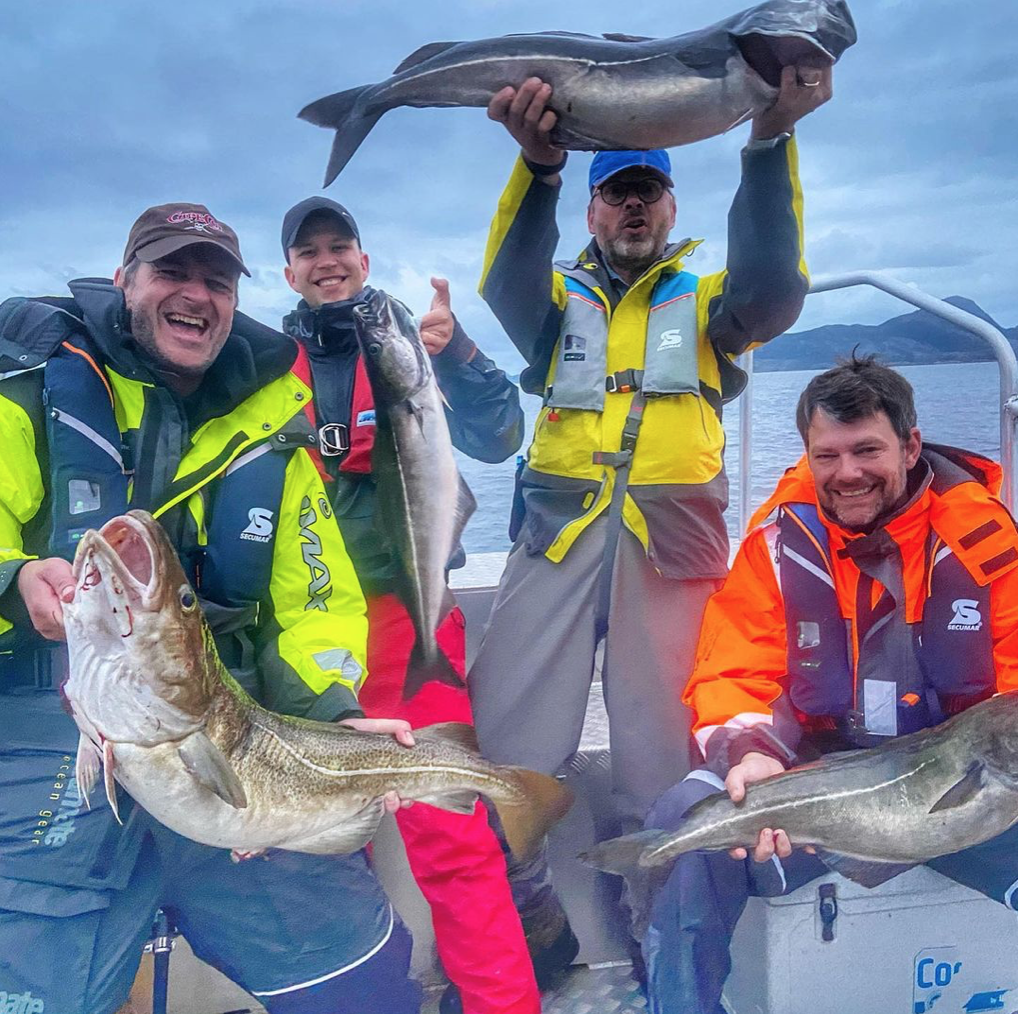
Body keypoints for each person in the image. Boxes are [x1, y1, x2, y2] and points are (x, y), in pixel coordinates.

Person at [0, 203, 424, 1014]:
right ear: (125, 280)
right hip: (33, 739)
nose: (196, 294)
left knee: (362, 980)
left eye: (217, 280)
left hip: (225, 734)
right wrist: (10, 580)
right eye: (172, 271)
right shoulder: (24, 397)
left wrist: (328, 715)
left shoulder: (273, 429)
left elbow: (318, 602)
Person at [468, 66, 833, 968]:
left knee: (663, 757)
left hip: (672, 552)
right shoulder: (556, 307)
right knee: (508, 743)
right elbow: (505, 282)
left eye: (648, 193)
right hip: (556, 536)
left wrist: (766, 143)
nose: (633, 208)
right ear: (592, 212)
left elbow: (776, 287)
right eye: (616, 194)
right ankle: (534, 914)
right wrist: (540, 171)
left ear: (670, 208)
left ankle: (654, 927)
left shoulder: (711, 307)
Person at [644, 355, 1018, 1013]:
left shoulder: (988, 545)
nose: (847, 473)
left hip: (972, 791)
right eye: (828, 455)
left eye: (867, 450)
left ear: (910, 445)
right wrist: (749, 753)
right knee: (683, 826)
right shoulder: (775, 545)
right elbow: (733, 670)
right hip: (821, 786)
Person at [279, 197, 537, 1014]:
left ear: (362, 256)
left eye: (341, 245)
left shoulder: (407, 354)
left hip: (406, 616)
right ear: (288, 271)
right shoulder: (263, 362)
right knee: (311, 835)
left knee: (451, 829)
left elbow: (499, 436)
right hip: (298, 633)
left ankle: (501, 1003)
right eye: (309, 250)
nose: (328, 261)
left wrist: (457, 351)